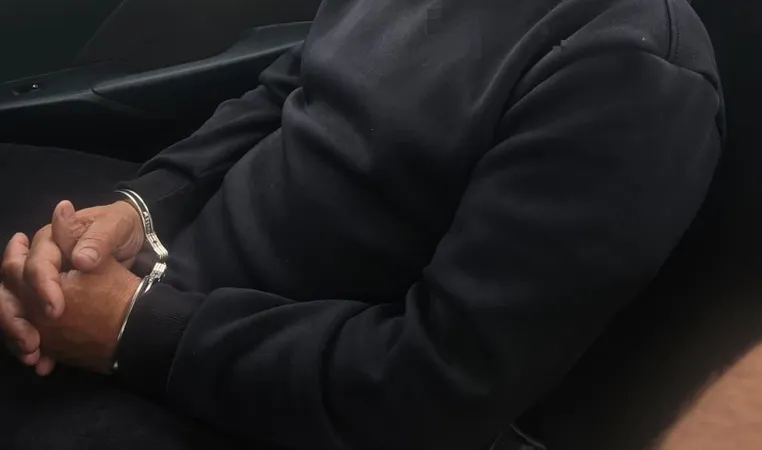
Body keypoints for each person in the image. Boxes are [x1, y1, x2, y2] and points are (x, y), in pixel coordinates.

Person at [0, 0, 724, 448]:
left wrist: (133, 329)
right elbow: (284, 92)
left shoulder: (632, 73)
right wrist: (142, 206)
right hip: (156, 288)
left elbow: (432, 390)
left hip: (265, 401)